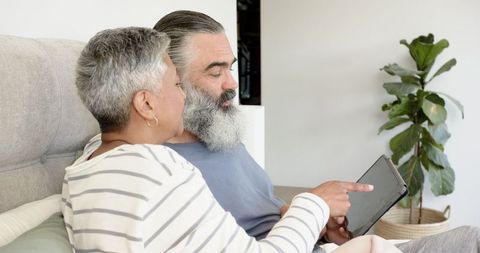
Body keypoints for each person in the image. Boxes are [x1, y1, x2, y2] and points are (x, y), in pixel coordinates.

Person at [150, 10, 479, 253]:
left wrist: (320, 228)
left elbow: (269, 212)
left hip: (312, 244)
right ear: (171, 78)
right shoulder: (162, 170)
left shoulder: (219, 132)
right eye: (215, 71)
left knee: (471, 238)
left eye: (230, 68)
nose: (232, 84)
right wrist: (313, 204)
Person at [62, 27, 401, 253]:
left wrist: (313, 222)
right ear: (146, 103)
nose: (183, 97)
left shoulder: (83, 170)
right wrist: (315, 203)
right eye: (177, 85)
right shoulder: (159, 168)